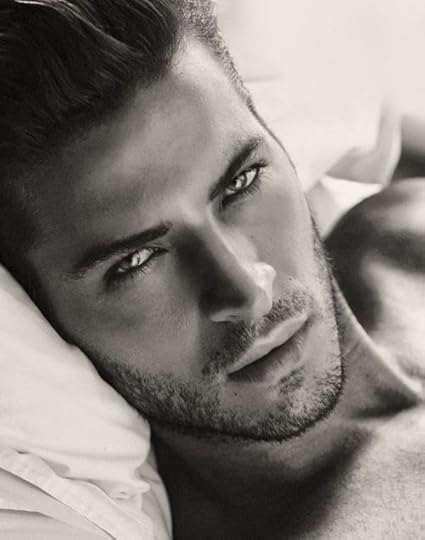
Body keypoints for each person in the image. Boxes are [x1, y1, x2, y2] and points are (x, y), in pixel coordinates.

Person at [0, 1, 423, 538]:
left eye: (241, 183)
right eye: (136, 261)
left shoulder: (399, 226)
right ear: (38, 307)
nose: (247, 288)